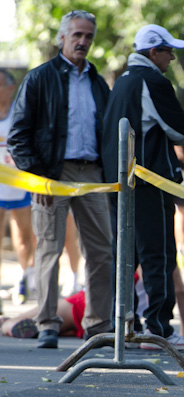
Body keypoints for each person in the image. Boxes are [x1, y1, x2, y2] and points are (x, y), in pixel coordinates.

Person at [8, 10, 114, 349]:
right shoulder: (40, 78)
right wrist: (38, 178)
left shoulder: (98, 83)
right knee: (49, 248)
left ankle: (98, 325)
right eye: (77, 35)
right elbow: (18, 134)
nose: (83, 41)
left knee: (102, 250)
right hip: (52, 173)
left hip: (93, 174)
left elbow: (109, 133)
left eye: (88, 36)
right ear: (62, 38)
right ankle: (48, 323)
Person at [101, 24, 184, 351]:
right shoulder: (152, 80)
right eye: (168, 51)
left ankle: (126, 326)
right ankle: (158, 330)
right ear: (153, 52)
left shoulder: (120, 83)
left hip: (119, 183)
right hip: (148, 181)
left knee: (125, 255)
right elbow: (182, 131)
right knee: (159, 254)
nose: (172, 57)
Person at [0, 69, 36, 306]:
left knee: (22, 236)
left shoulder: (19, 112)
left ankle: (24, 278)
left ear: (11, 88)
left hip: (19, 181)